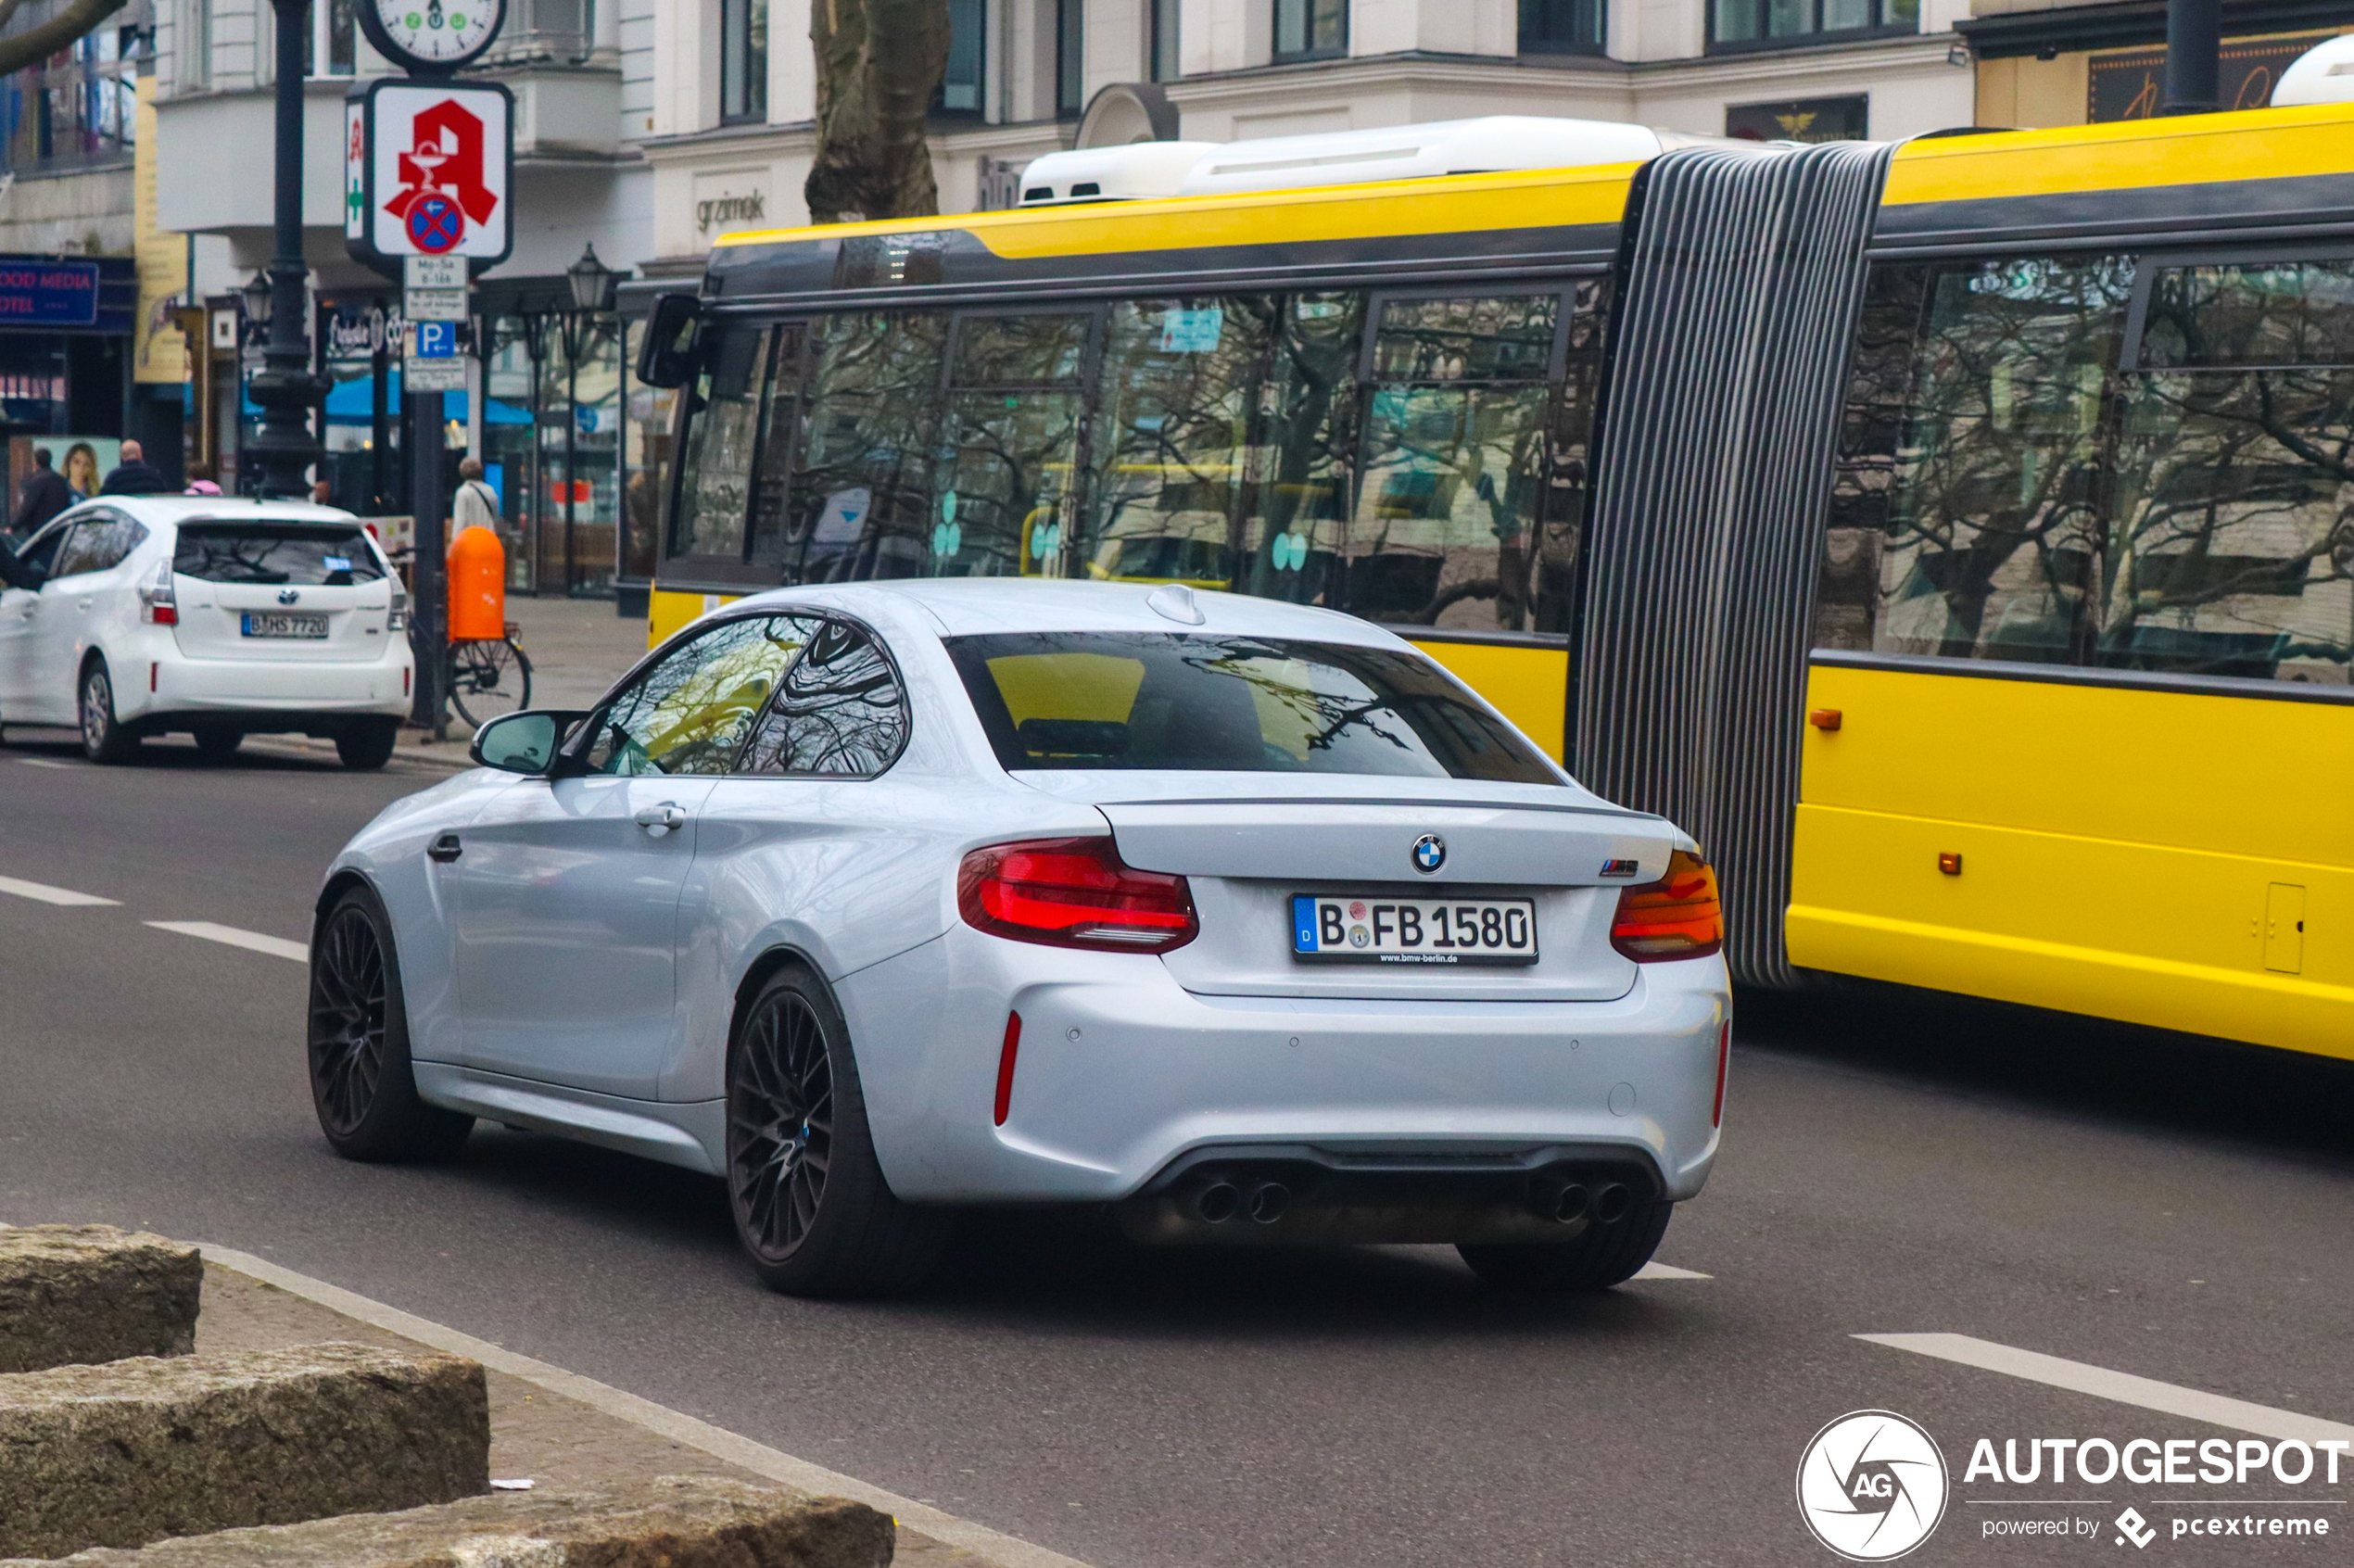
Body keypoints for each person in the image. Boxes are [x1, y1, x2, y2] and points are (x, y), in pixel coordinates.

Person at [11, 448, 70, 537]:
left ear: (35, 462)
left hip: (40, 533)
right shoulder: (61, 480)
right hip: (58, 530)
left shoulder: (37, 481)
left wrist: (13, 527)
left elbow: (27, 508)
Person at [99, 439, 171, 497]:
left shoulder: (114, 476)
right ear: (140, 454)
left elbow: (104, 498)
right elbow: (163, 495)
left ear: (122, 456)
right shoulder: (153, 475)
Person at [452, 457, 501, 536]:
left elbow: (460, 522)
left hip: (471, 541)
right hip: (489, 540)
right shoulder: (490, 490)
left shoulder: (462, 492)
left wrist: (454, 543)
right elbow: (496, 517)